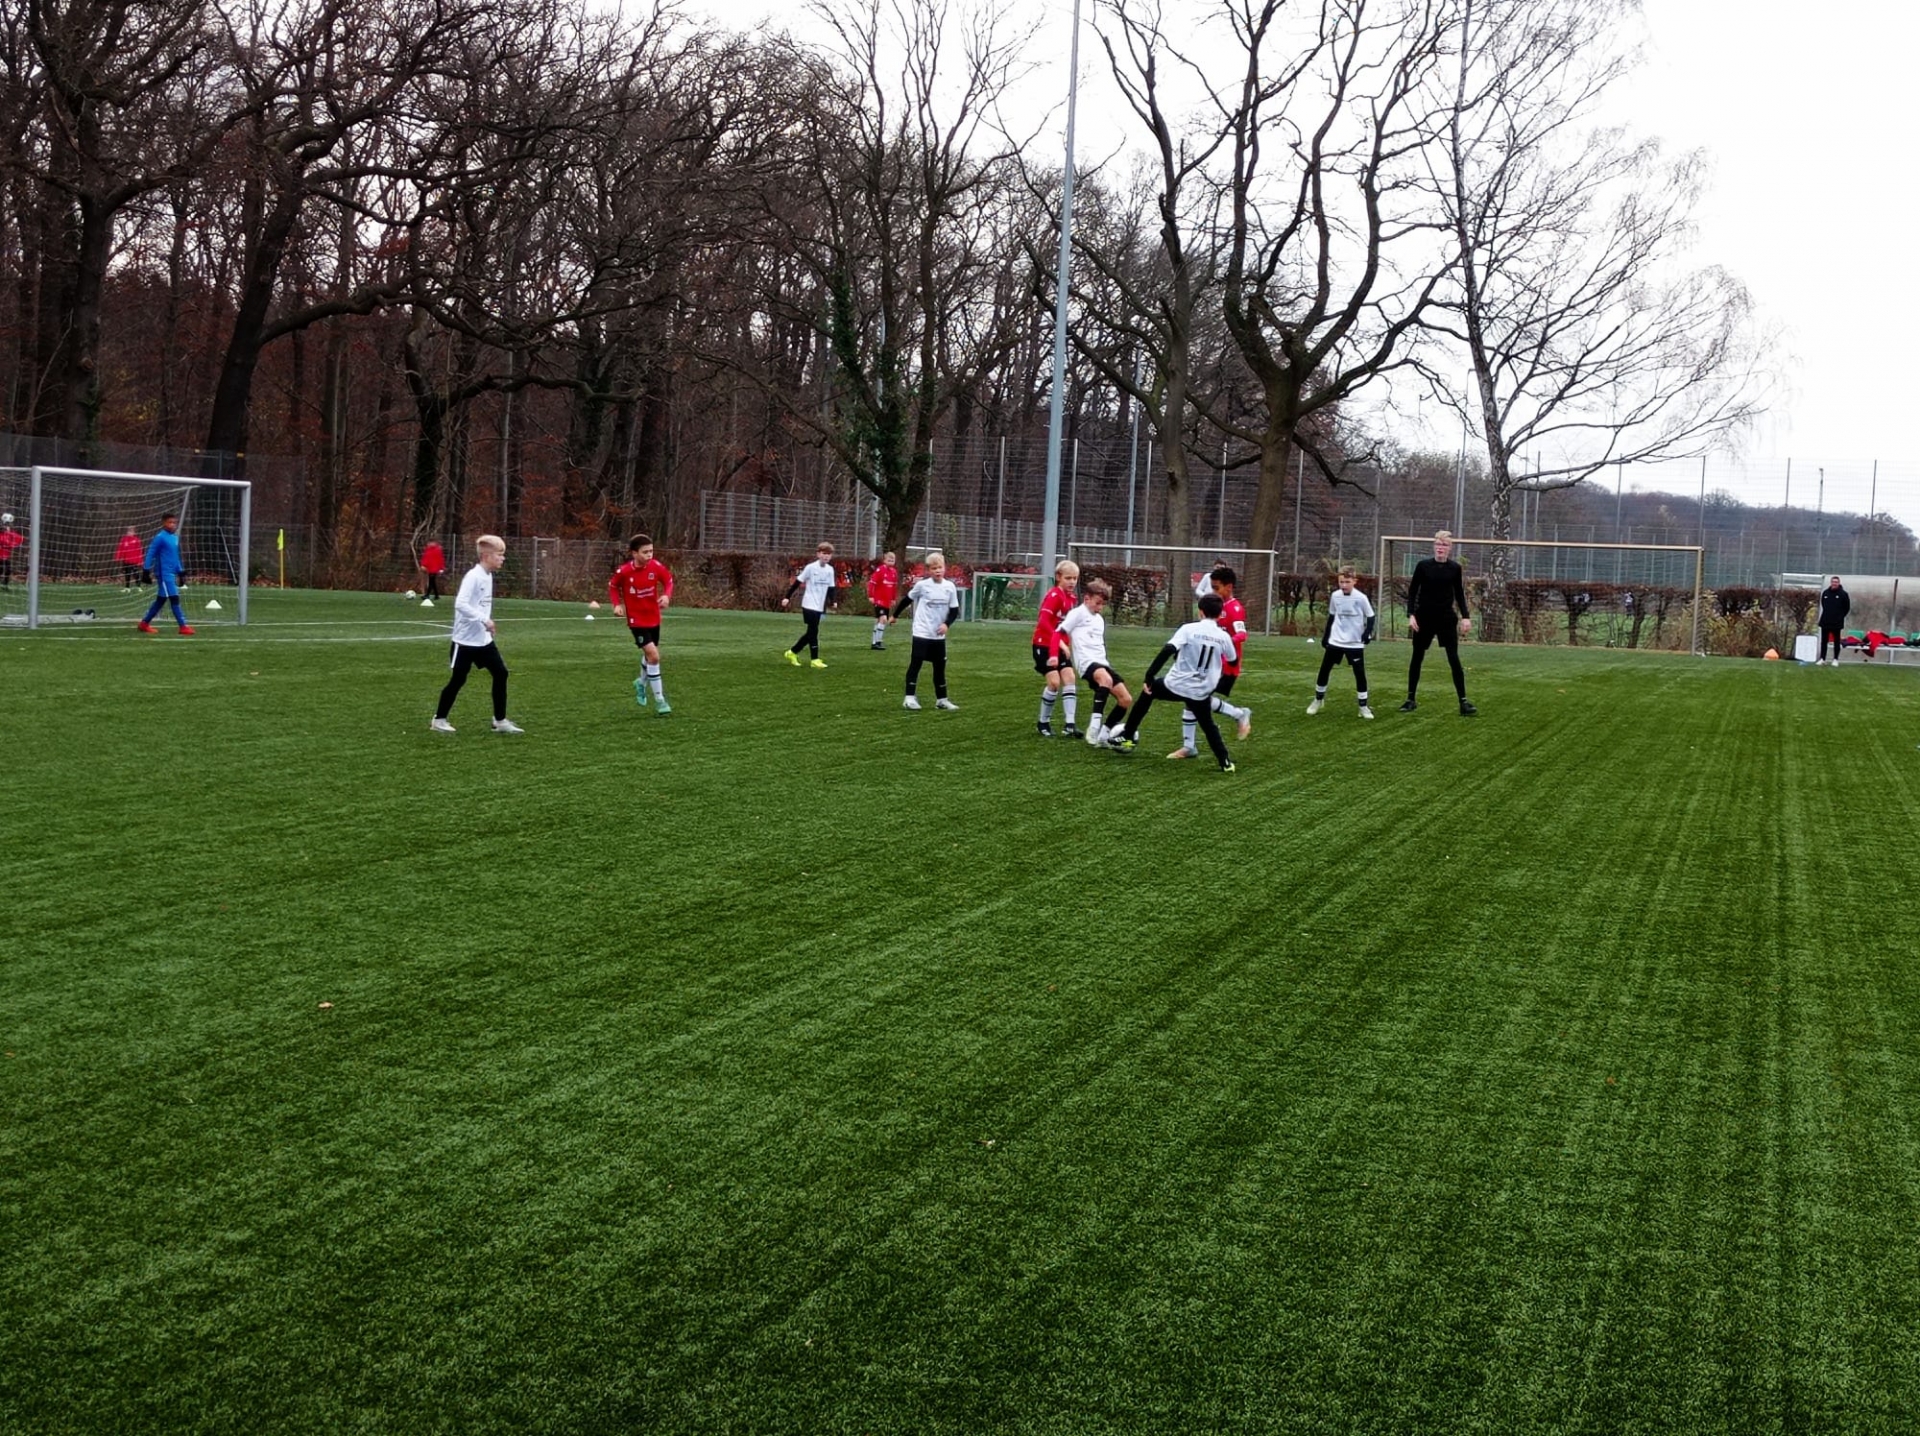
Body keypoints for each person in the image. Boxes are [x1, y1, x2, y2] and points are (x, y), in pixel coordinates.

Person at [1107, 591, 1238, 772]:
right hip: (1200, 690)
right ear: (1220, 614)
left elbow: (1168, 649)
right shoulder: (1223, 636)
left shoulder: (1188, 629)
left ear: (1200, 611)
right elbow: (1233, 660)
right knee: (1208, 725)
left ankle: (1128, 735)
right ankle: (1225, 762)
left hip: (1176, 685)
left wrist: (1150, 675)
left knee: (1148, 693)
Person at [431, 535, 522, 733]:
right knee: (458, 680)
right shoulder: (473, 576)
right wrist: (485, 620)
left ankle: (500, 721)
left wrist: (486, 625)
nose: (503, 558)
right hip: (464, 641)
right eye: (499, 554)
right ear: (487, 556)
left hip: (483, 641)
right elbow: (461, 604)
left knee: (501, 673)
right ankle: (439, 720)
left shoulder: (488, 576)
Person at [1173, 565, 1252, 758]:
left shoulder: (1234, 608)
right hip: (1211, 663)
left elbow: (1242, 634)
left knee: (1195, 698)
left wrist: (1224, 642)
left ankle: (1239, 714)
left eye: (1217, 588)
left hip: (1226, 666)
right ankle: (1189, 746)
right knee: (1192, 698)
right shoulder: (1216, 606)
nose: (1213, 591)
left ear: (1229, 587)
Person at [1401, 529, 1476, 715]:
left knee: (1453, 658)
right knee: (1417, 657)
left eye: (1444, 545)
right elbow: (1413, 591)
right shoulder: (1423, 566)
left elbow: (1459, 594)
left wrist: (1466, 616)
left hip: (1446, 618)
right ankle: (1410, 699)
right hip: (1424, 617)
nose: (1440, 548)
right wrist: (1411, 615)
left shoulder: (1455, 568)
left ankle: (1463, 702)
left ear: (1449, 548)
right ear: (1434, 546)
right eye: (1438, 544)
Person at [1052, 578, 1133, 745]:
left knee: (1125, 699)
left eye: (1103, 604)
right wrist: (1057, 651)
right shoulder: (1078, 613)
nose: (1100, 607)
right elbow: (1057, 633)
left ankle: (1103, 736)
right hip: (1086, 663)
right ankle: (1094, 728)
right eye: (1097, 603)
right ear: (1087, 598)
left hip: (1102, 663)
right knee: (1106, 679)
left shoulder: (1099, 619)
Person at [608, 532, 675, 714]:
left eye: (651, 551)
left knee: (649, 656)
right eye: (645, 552)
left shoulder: (655, 567)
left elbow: (668, 580)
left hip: (654, 617)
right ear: (634, 553)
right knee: (654, 656)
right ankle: (660, 701)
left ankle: (641, 682)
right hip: (636, 620)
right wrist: (616, 604)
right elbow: (613, 586)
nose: (649, 555)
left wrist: (666, 596)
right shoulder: (624, 572)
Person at [893, 549, 962, 711]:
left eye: (940, 567)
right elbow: (907, 599)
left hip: (938, 635)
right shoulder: (922, 585)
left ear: (944, 568)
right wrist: (894, 615)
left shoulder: (949, 587)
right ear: (928, 570)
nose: (937, 571)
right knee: (916, 662)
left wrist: (946, 625)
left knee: (939, 666)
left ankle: (942, 700)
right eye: (934, 568)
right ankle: (909, 698)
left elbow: (954, 611)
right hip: (922, 631)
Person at [1308, 566, 1377, 718]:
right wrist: (1326, 636)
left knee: (1359, 673)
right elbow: (1332, 616)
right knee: (1324, 669)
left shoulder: (1361, 598)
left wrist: (1367, 633)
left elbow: (1371, 616)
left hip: (1354, 642)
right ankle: (1318, 700)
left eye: (1347, 582)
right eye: (1341, 582)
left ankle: (1363, 707)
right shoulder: (1335, 596)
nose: (1344, 585)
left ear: (1354, 581)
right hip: (1336, 640)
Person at [1032, 558, 1080, 737]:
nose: (1072, 582)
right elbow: (1043, 622)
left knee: (1070, 677)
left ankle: (1070, 725)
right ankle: (1043, 722)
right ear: (1058, 577)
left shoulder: (1071, 599)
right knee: (1054, 683)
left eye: (1075, 578)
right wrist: (1059, 642)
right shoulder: (1054, 596)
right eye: (1068, 578)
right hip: (1043, 644)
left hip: (1060, 646)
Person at [781, 541, 839, 667]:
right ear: (818, 554)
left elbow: (831, 587)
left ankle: (792, 652)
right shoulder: (811, 568)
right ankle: (814, 660)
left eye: (828, 554)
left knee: (811, 633)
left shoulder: (830, 570)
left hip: (819, 606)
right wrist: (787, 597)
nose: (826, 556)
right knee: (813, 631)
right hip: (809, 604)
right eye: (823, 553)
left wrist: (833, 601)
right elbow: (797, 582)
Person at [136, 514, 194, 635]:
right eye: (169, 522)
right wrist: (146, 570)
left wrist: (180, 571)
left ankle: (144, 624)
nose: (172, 525)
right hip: (164, 574)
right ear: (164, 523)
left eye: (174, 522)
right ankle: (183, 626)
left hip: (171, 573)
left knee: (161, 600)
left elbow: (175, 556)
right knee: (174, 597)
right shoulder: (160, 537)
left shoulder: (174, 538)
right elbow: (151, 553)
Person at [866, 550, 899, 650]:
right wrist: (871, 596)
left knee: (879, 620)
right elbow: (872, 583)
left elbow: (894, 587)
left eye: (892, 560)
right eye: (889, 560)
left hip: (887, 601)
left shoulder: (894, 572)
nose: (891, 562)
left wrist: (893, 598)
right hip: (879, 600)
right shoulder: (880, 570)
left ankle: (874, 642)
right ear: (884, 560)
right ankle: (878, 642)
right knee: (883, 619)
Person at [1817, 574, 1850, 667]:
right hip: (1825, 621)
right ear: (1831, 582)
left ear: (1839, 583)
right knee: (1824, 641)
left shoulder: (1843, 594)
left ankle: (1835, 659)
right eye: (1833, 582)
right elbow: (1823, 604)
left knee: (1836, 641)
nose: (1834, 583)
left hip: (1837, 622)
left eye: (1836, 582)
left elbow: (1847, 608)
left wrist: (1840, 616)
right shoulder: (1825, 593)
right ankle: (1822, 659)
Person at [420, 539, 447, 604]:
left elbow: (441, 559)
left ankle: (427, 595)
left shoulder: (437, 550)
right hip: (430, 568)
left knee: (431, 581)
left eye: (431, 543)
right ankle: (436, 595)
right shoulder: (428, 550)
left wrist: (441, 568)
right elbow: (425, 558)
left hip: (434, 568)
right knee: (432, 582)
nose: (429, 544)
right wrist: (423, 565)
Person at [0, 514, 22, 590]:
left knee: (8, 570)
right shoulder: (2, 535)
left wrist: (9, 532)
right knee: (1, 570)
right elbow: (4, 541)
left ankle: (5, 585)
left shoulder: (9, 534)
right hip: (1, 556)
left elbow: (20, 539)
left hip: (5, 557)